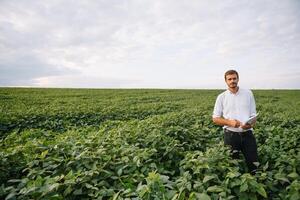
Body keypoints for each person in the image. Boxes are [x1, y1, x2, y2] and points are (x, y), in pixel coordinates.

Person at [212, 69, 258, 174]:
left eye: (234, 78)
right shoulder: (221, 97)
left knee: (254, 163)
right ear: (226, 81)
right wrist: (229, 122)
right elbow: (215, 118)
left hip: (248, 134)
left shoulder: (248, 93)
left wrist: (251, 123)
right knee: (232, 166)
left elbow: (253, 114)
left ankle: (255, 181)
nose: (232, 81)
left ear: (238, 79)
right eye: (229, 79)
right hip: (231, 136)